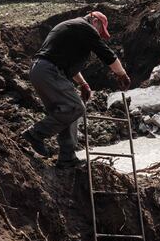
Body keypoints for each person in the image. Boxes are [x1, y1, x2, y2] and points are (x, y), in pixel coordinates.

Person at [21, 11, 131, 168]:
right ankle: (34, 134)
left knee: (67, 112)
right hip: (49, 71)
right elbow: (106, 54)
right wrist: (122, 74)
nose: (99, 34)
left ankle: (67, 158)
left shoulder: (73, 29)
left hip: (41, 71)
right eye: (100, 30)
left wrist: (83, 84)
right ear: (95, 20)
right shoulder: (85, 27)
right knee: (76, 107)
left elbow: (66, 61)